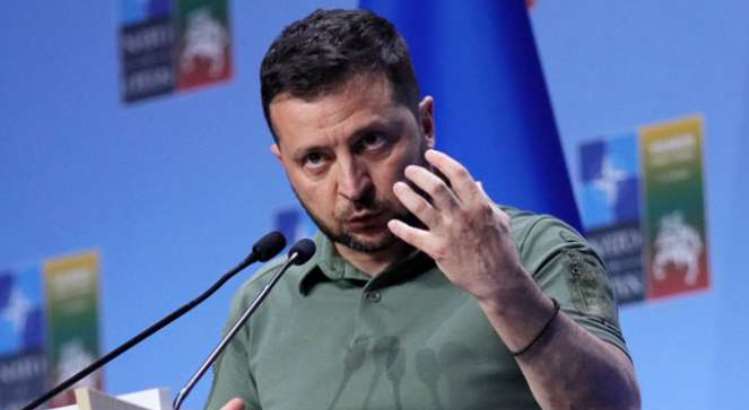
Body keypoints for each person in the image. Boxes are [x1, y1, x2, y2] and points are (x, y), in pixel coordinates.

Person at [206, 8, 640, 410]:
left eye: (371, 142)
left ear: (425, 124)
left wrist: (505, 289)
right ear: (283, 162)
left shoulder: (534, 250)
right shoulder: (261, 304)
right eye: (316, 159)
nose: (352, 187)